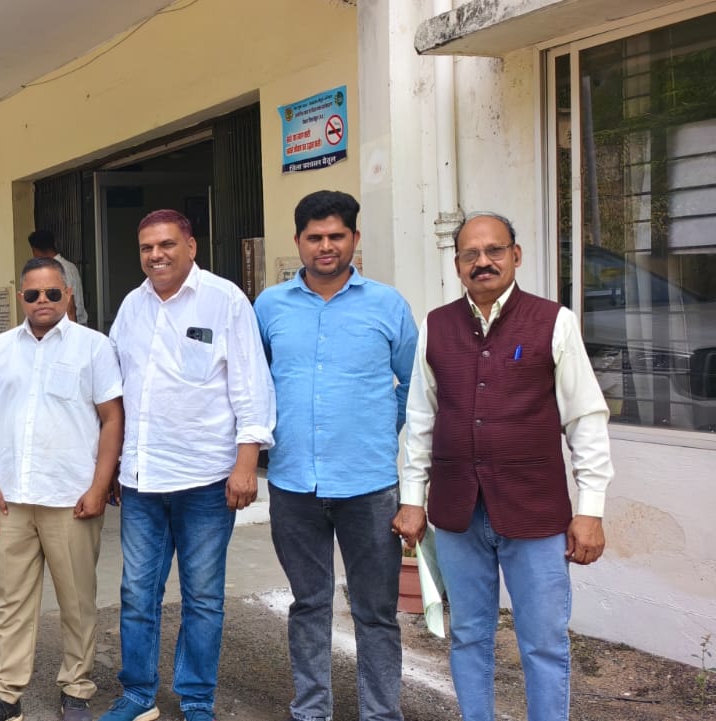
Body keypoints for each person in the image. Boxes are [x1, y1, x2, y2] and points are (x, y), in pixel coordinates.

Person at [393, 213, 613, 721]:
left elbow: (585, 419)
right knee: (469, 636)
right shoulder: (436, 326)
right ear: (457, 264)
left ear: (516, 255)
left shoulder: (554, 321)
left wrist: (591, 509)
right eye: (470, 254)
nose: (483, 262)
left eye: (494, 250)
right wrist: (412, 499)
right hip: (458, 513)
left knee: (544, 642)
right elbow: (421, 419)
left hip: (535, 512)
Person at [101, 209, 275, 721]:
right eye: (147, 247)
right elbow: (115, 392)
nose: (156, 255)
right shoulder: (132, 306)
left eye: (167, 245)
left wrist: (247, 463)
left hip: (206, 480)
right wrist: (113, 465)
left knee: (202, 596)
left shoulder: (225, 301)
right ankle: (138, 695)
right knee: (137, 594)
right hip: (142, 480)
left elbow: (251, 386)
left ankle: (197, 698)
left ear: (191, 247)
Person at [254, 191, 416, 721]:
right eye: (315, 237)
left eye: (336, 236)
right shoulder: (269, 307)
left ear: (355, 239)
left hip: (368, 485)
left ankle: (380, 713)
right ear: (298, 241)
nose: (326, 246)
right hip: (293, 484)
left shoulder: (388, 305)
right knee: (309, 604)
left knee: (376, 612)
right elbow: (255, 386)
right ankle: (311, 710)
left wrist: (377, 429)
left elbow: (415, 386)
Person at [0, 257, 124, 721]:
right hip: (11, 498)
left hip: (70, 499)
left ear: (67, 295)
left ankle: (76, 690)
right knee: (11, 601)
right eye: (33, 294)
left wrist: (99, 486)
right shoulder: (1, 348)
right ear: (21, 297)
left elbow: (112, 417)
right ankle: (5, 694)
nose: (43, 301)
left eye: (53, 293)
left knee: (77, 601)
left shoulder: (94, 347)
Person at [28, 229, 87, 325]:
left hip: (69, 327)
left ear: (36, 250)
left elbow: (70, 307)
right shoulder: (70, 266)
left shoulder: (56, 270)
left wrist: (70, 333)